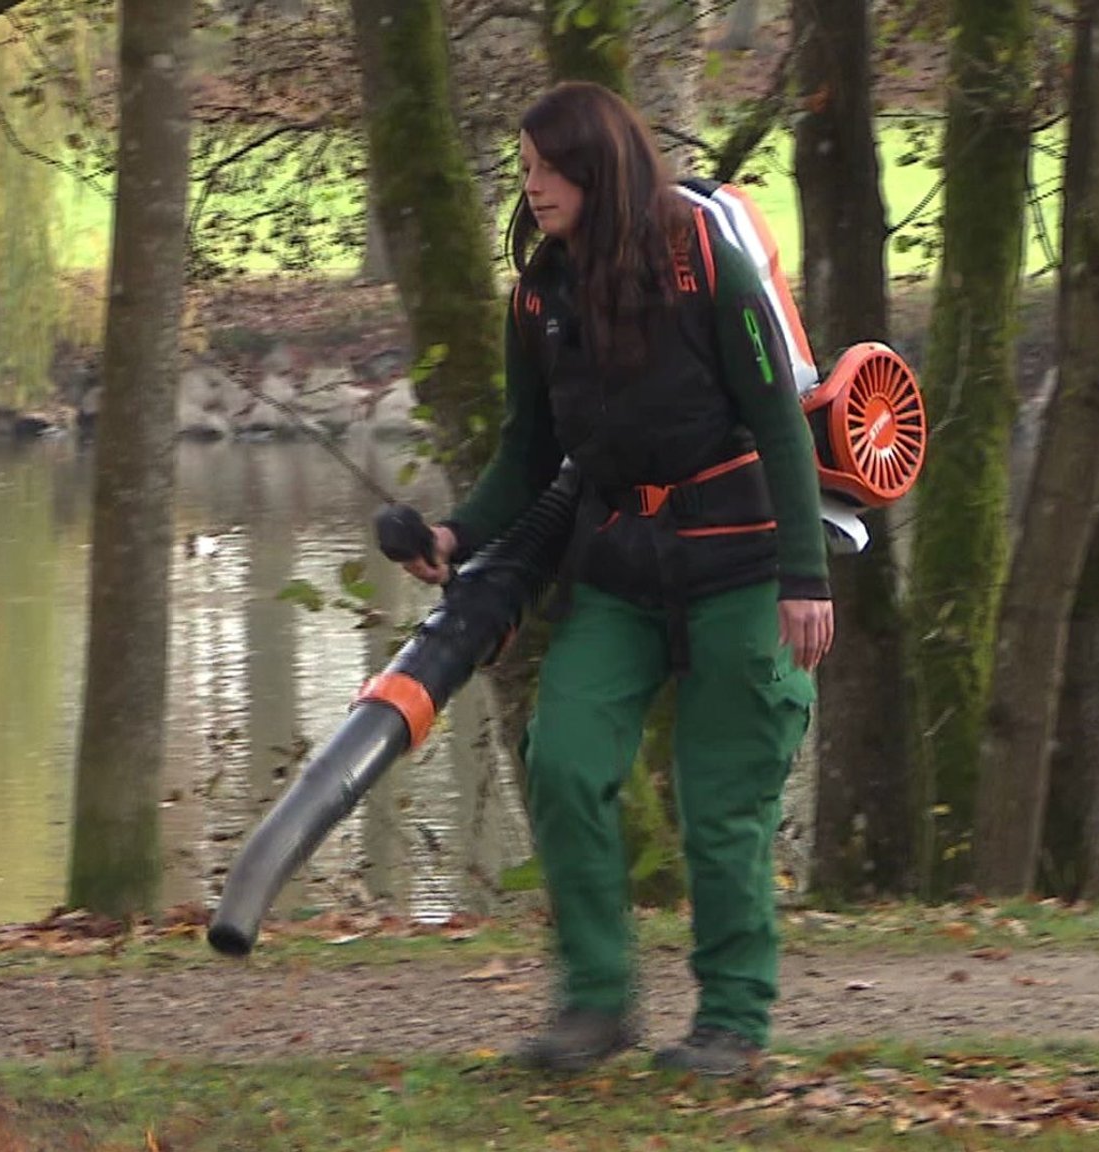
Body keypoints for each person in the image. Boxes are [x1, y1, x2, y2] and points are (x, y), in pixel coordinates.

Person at [394, 81, 833, 1077]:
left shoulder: (697, 255)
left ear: (598, 168)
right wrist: (453, 533)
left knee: (720, 803)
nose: (532, 186)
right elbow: (524, 451)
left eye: (549, 168)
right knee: (563, 759)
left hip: (743, 567)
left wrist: (805, 580)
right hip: (617, 576)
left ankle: (732, 1023)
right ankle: (595, 1005)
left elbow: (774, 418)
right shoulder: (537, 293)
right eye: (524, 168)